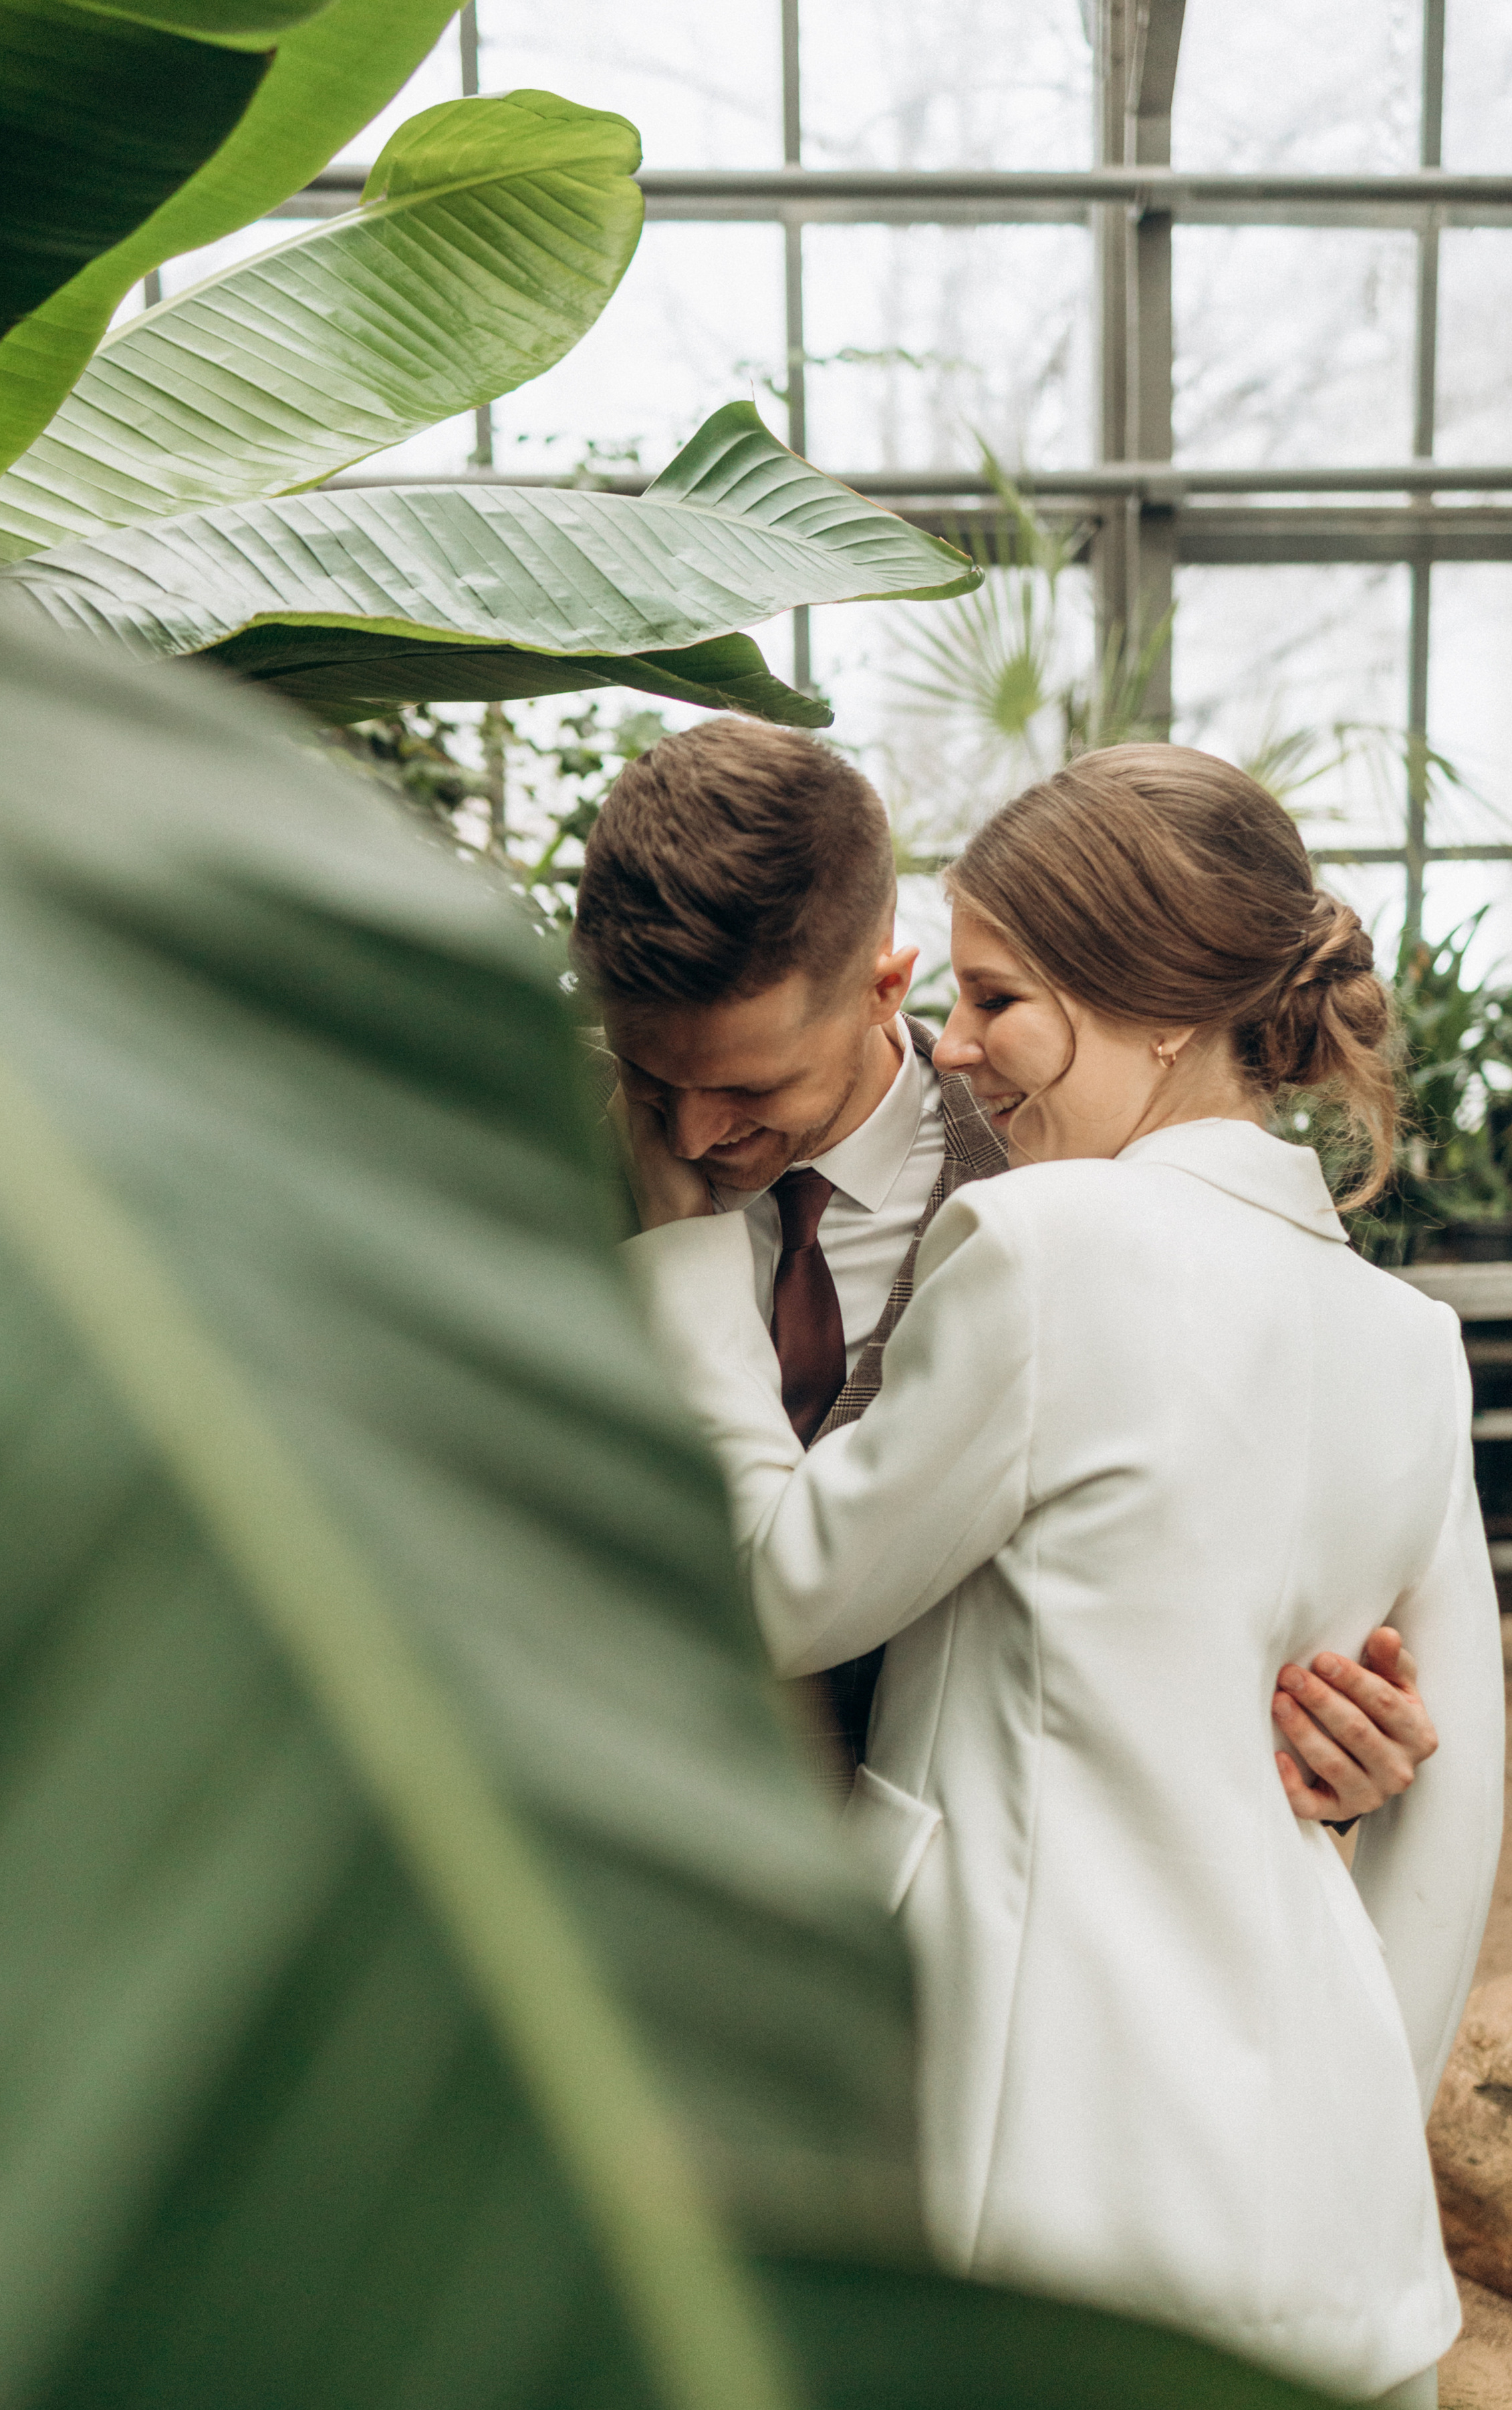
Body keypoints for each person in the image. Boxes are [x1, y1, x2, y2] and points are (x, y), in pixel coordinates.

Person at [616, 740, 1504, 2410]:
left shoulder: (1052, 1246)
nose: (949, 1047)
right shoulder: (1403, 1345)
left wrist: (677, 1275)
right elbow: (1443, 1795)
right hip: (1312, 2197)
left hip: (1026, 2144)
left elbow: (776, 1592)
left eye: (995, 999)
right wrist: (1335, 2114)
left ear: (1149, 1009)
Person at [573, 718, 1439, 1821]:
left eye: (751, 1089)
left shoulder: (1098, 1212)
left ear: (888, 984)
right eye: (652, 1076)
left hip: (954, 1939)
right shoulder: (523, 1183)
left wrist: (1309, 1750)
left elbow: (1191, 1589)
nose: (693, 1135)